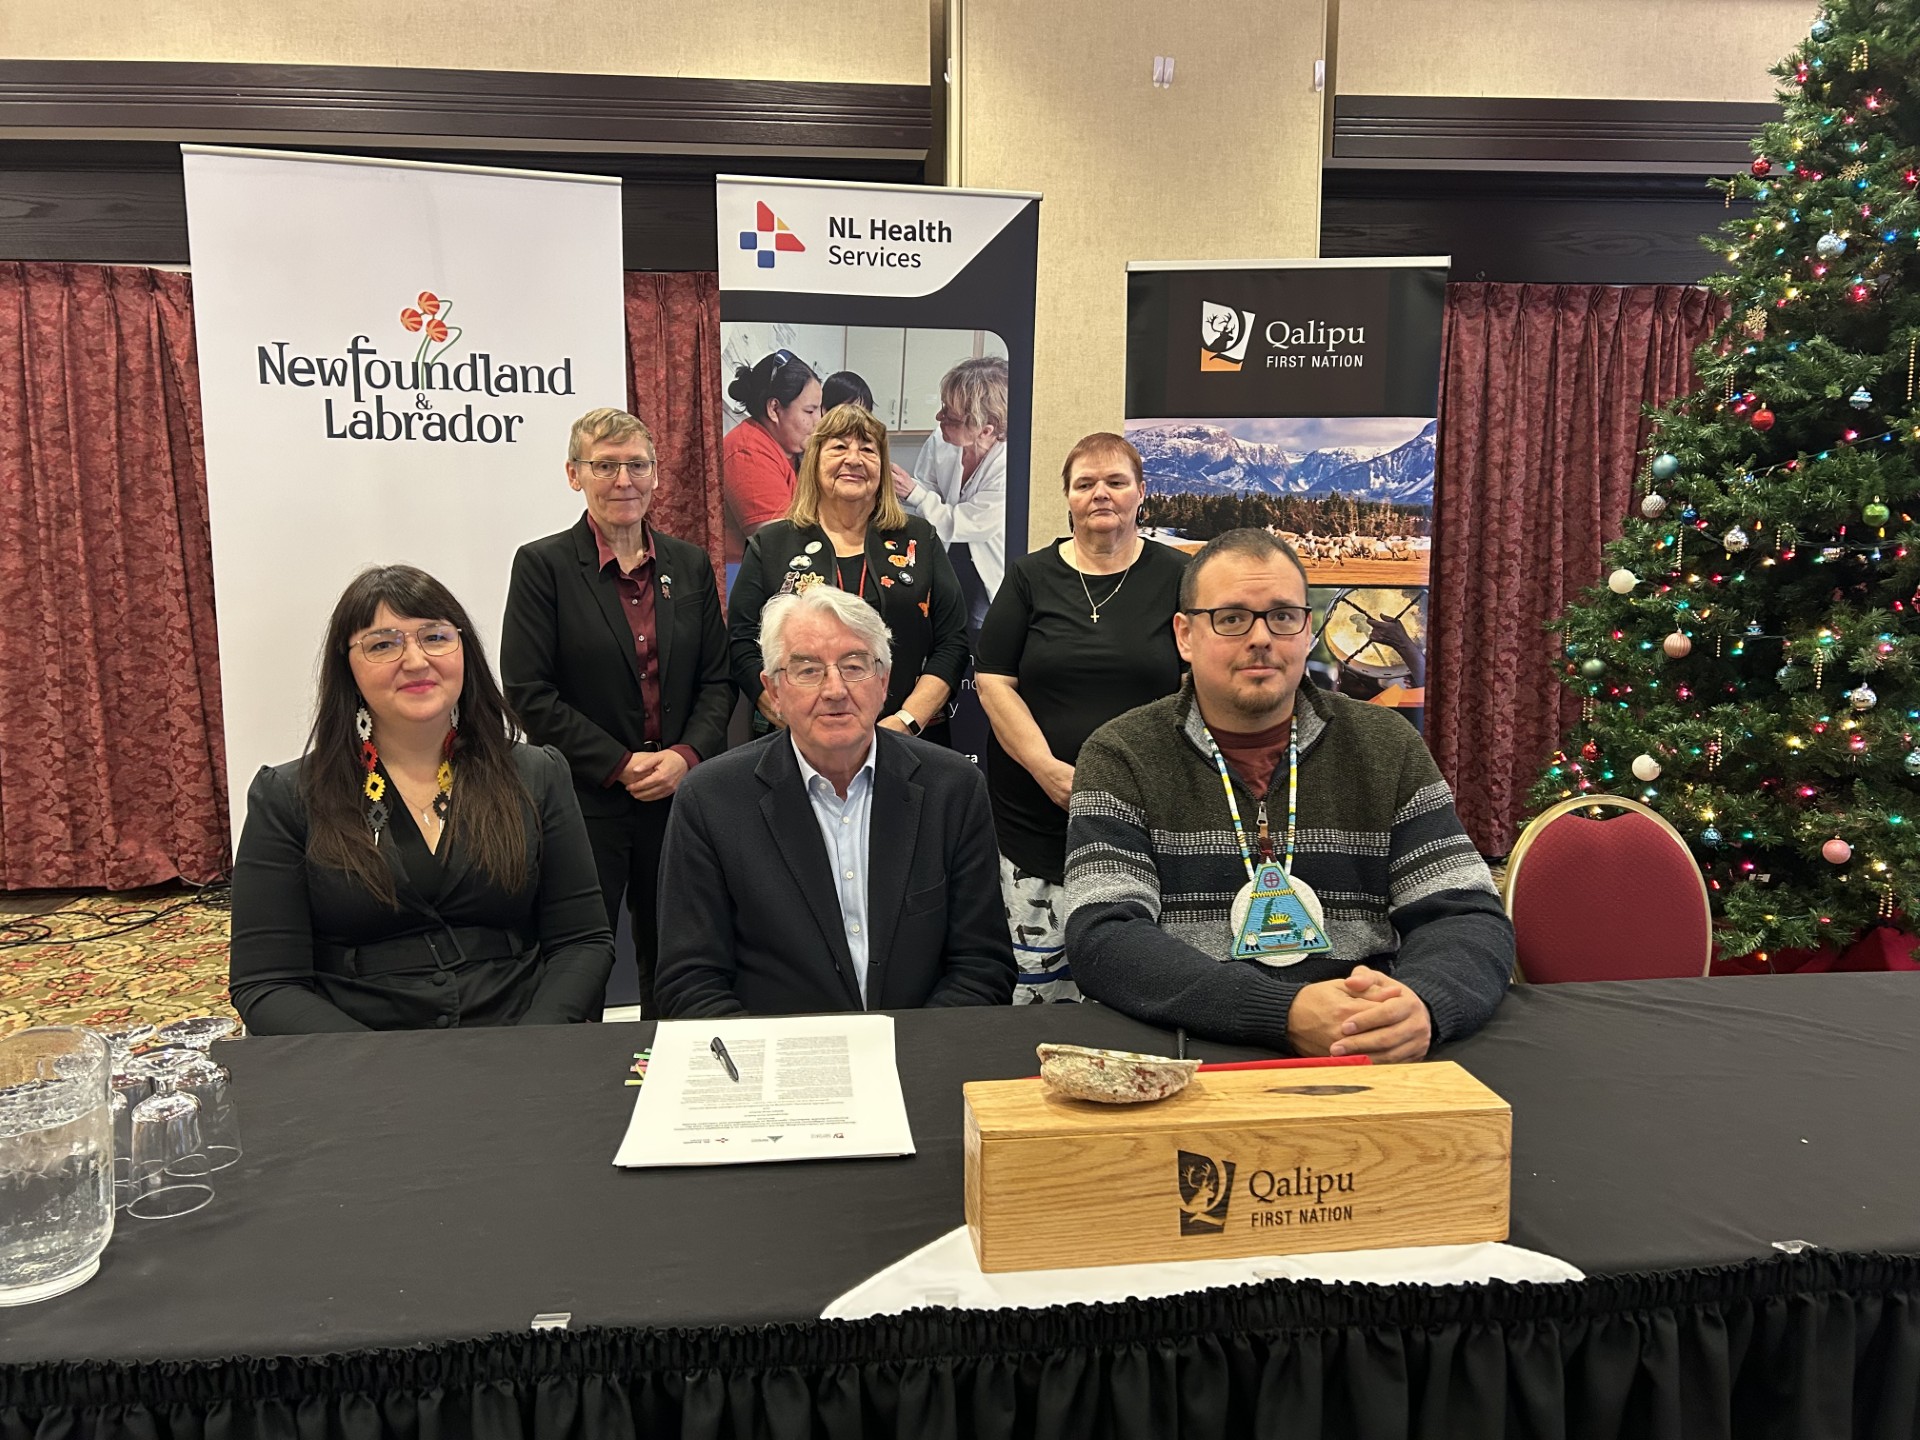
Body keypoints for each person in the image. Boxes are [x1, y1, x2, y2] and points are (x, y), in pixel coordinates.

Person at [1063, 529, 1512, 1061]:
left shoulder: (1387, 747)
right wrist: (1284, 1013)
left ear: (1307, 631)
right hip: (1190, 1054)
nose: (1261, 638)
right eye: (1231, 618)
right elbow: (1104, 936)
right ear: (1185, 636)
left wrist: (1422, 1004)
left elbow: (1465, 915)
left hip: (1367, 1047)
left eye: (1282, 616)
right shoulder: (1121, 754)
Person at [230, 565, 614, 1033]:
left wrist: (533, 1044)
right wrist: (383, 1069)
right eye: (383, 644)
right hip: (359, 1064)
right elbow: (267, 983)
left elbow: (583, 941)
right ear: (346, 668)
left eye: (434, 637)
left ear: (463, 651)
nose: (415, 660)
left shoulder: (537, 774)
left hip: (518, 1043)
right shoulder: (288, 798)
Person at [655, 585, 1014, 1016]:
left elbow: (982, 967)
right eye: (807, 670)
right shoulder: (711, 800)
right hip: (779, 1068)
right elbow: (690, 983)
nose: (835, 689)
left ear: (884, 682)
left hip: (921, 1060)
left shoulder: (953, 789)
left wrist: (908, 1057)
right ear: (773, 690)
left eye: (855, 666)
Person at [501, 407, 733, 1015]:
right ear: (574, 475)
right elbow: (529, 690)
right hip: (586, 799)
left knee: (677, 951)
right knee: (585, 951)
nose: (623, 479)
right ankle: (578, 1082)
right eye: (605, 465)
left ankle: (673, 1067)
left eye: (637, 465)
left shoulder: (688, 564)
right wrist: (620, 763)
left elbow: (717, 680)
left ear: (657, 476)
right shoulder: (542, 566)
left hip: (680, 797)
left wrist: (686, 757)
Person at [975, 433, 1187, 1002]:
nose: (1101, 494)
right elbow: (993, 678)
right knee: (1038, 992)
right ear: (1067, 497)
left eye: (1116, 482)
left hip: (1146, 817)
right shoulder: (1030, 576)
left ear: (1141, 493)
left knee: (1138, 982)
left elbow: (1202, 685)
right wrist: (1045, 767)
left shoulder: (1179, 577)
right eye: (1085, 483)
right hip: (1035, 816)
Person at [729, 402, 969, 747]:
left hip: (906, 741)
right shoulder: (771, 544)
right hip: (796, 740)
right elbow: (742, 642)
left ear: (882, 467)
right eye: (839, 447)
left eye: (868, 449)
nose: (853, 459)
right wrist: (791, 717)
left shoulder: (919, 539)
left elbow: (952, 642)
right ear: (814, 462)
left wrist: (904, 723)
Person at [892, 355, 1007, 640]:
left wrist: (915, 493)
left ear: (986, 429)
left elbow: (972, 524)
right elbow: (925, 489)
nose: (939, 418)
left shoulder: (1009, 463)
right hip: (941, 555)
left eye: (950, 416)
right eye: (943, 407)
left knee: (974, 637)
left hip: (986, 563)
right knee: (937, 631)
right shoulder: (940, 439)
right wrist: (911, 492)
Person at [722, 349, 823, 565]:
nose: (819, 421)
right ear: (774, 409)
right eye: (809, 411)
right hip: (742, 579)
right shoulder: (747, 450)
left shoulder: (793, 451)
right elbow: (781, 545)